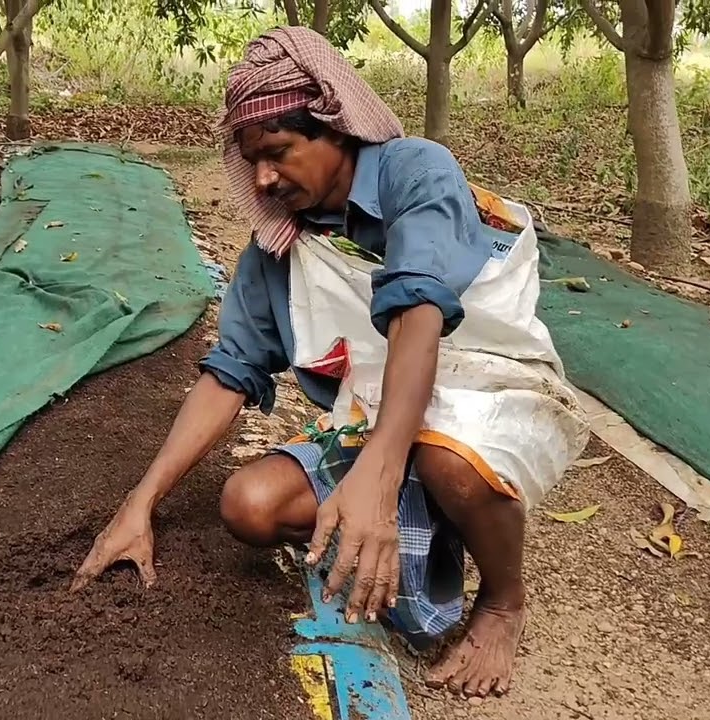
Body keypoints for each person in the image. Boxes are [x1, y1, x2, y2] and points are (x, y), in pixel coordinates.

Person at [71, 26, 589, 698]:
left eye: (279, 153)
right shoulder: (280, 247)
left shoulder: (416, 171)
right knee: (249, 505)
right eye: (251, 160)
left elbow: (417, 312)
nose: (262, 178)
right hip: (379, 405)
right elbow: (230, 371)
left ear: (336, 128)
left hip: (489, 381)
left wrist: (377, 474)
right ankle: (419, 529)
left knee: (449, 464)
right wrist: (140, 501)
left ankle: (501, 601)